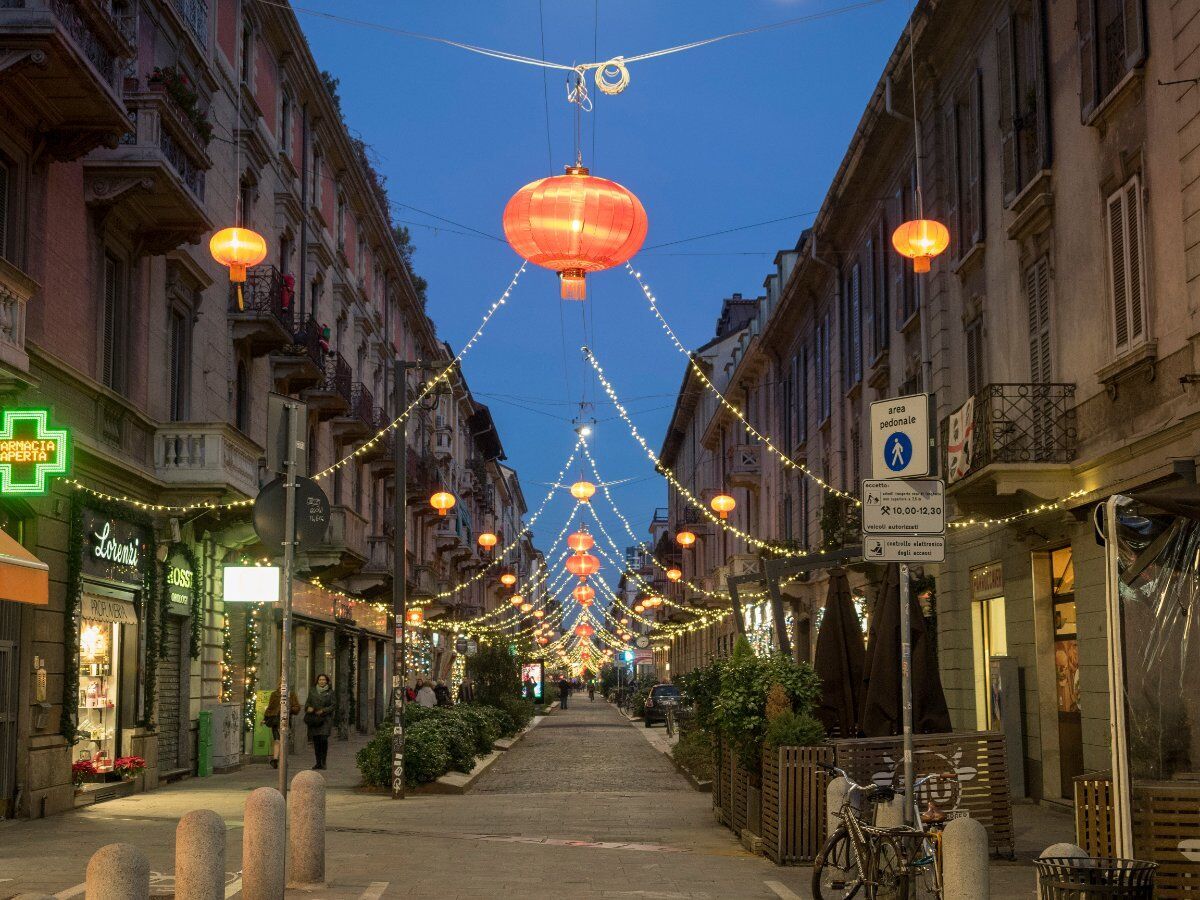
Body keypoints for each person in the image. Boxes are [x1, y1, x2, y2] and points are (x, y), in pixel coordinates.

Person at [304, 673, 335, 771]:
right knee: (316, 741)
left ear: (327, 681)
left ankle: (323, 762)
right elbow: (307, 703)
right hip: (314, 719)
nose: (322, 681)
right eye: (320, 680)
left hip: (325, 720)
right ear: (317, 681)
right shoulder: (312, 691)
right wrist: (308, 708)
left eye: (324, 680)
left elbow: (333, 705)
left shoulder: (330, 692)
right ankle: (318, 762)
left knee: (323, 740)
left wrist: (324, 710)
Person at [263, 687, 299, 769]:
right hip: (275, 720)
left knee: (284, 740)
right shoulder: (274, 694)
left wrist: (290, 708)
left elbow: (296, 707)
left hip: (286, 720)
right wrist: (265, 718)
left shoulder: (291, 694)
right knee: (277, 740)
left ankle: (283, 759)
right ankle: (275, 759)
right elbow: (270, 707)